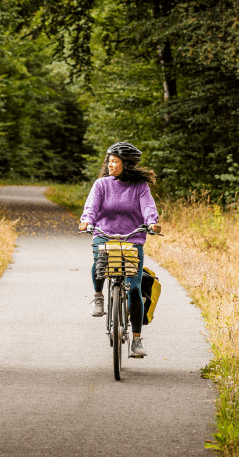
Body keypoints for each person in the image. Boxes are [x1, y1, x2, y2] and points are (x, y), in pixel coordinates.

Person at [78, 141, 162, 358]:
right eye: (109, 161)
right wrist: (87, 221)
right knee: (100, 263)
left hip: (132, 239)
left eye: (115, 162)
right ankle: (98, 296)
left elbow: (148, 208)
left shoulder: (140, 187)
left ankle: (136, 340)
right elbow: (91, 208)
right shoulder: (101, 185)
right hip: (104, 235)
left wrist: (152, 222)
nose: (110, 165)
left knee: (134, 289)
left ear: (127, 164)